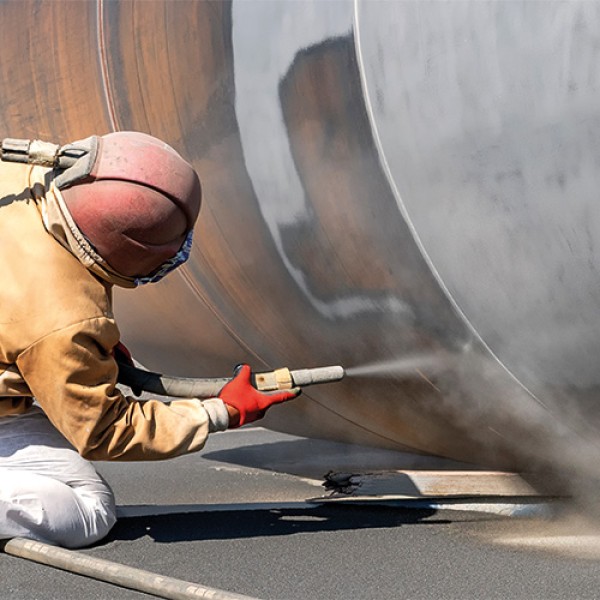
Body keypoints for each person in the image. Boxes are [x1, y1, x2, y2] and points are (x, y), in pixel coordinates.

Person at [0, 131, 300, 548]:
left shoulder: (17, 174)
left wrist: (83, 357)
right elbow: (102, 429)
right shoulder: (63, 318)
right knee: (90, 509)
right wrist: (219, 412)